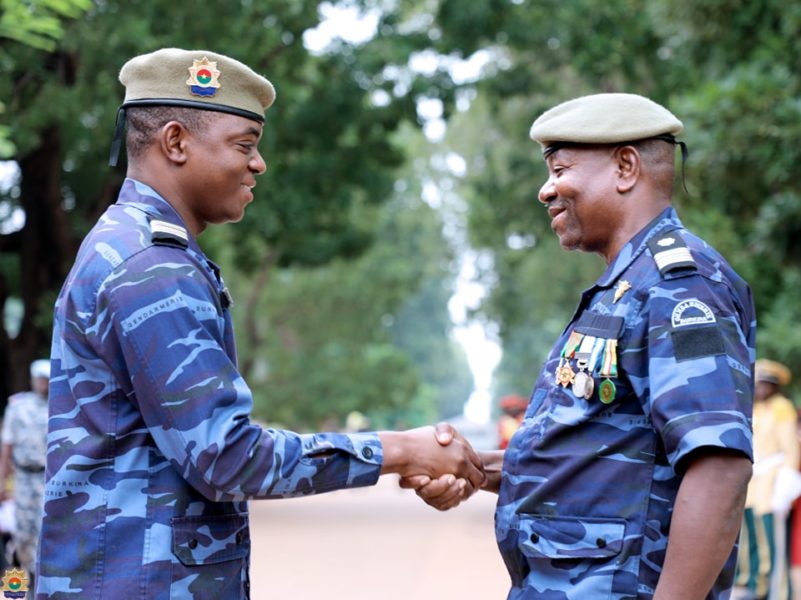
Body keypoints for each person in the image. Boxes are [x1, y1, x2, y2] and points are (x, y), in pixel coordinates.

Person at [36, 48, 484, 599]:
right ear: (175, 142)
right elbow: (226, 457)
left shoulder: (134, 248)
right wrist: (399, 450)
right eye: (244, 146)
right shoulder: (150, 268)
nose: (258, 164)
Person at [407, 93, 756, 599]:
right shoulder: (625, 286)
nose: (546, 190)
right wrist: (475, 467)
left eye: (560, 169)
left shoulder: (681, 286)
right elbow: (604, 453)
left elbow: (719, 467)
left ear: (625, 167)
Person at [735, 359, 798, 600]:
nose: (761, 388)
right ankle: (753, 583)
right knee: (749, 537)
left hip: (771, 484)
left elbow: (790, 449)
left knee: (771, 539)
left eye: (766, 384)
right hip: (752, 485)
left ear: (774, 386)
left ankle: (777, 591)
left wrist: (786, 481)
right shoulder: (752, 407)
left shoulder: (781, 407)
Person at [0, 360, 49, 585]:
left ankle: (42, 590)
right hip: (22, 481)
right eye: (39, 378)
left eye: (46, 379)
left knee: (46, 538)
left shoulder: (60, 407)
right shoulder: (18, 407)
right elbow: (6, 448)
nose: (43, 383)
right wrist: (2, 484)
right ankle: (14, 594)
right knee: (18, 541)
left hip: (49, 480)